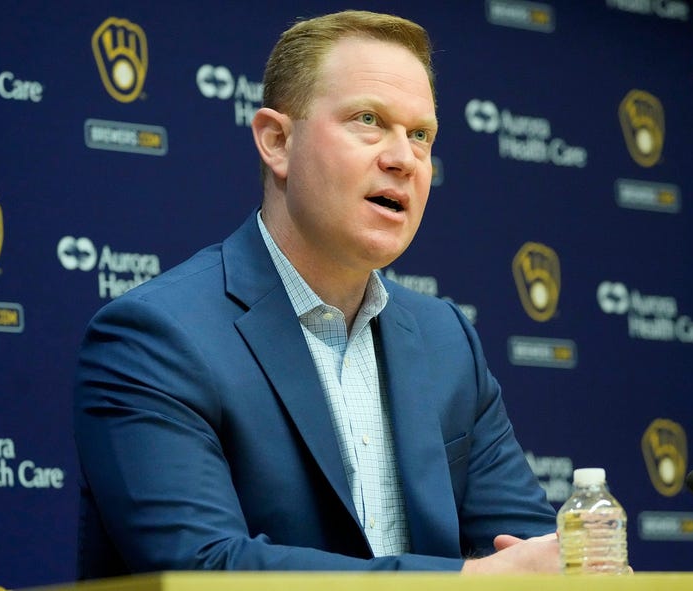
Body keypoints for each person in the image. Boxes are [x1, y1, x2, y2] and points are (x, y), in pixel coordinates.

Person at [74, 9, 559, 578]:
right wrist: (468, 581)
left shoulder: (447, 341)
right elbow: (202, 568)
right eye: (368, 120)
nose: (403, 159)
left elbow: (534, 554)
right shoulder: (155, 337)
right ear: (277, 142)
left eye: (420, 135)